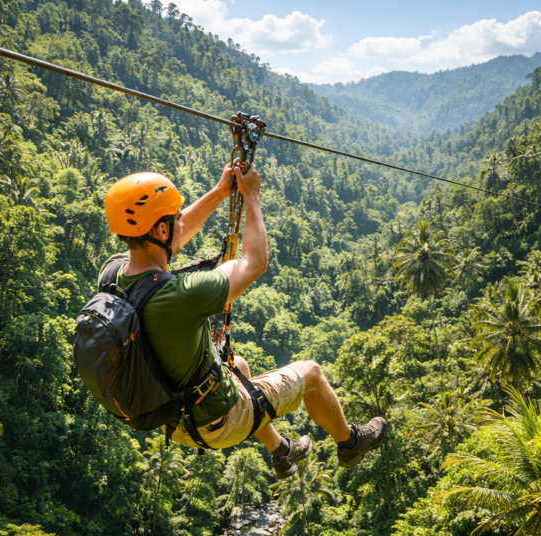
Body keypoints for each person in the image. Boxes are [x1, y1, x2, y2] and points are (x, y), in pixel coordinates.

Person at [97, 163, 387, 479]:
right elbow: (254, 263)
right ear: (161, 231)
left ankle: (282, 451)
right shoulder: (182, 295)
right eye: (176, 217)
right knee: (312, 373)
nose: (182, 220)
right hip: (218, 424)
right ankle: (350, 443)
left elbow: (168, 243)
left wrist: (220, 192)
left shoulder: (113, 275)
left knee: (240, 367)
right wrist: (252, 196)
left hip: (170, 420)